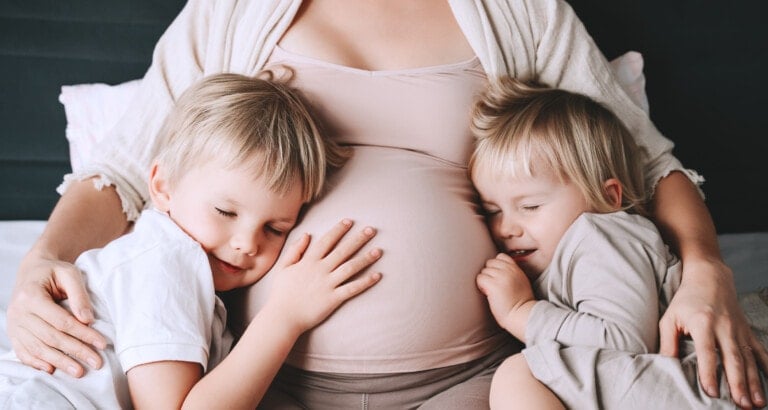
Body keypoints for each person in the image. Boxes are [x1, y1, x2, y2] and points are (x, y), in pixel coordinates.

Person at [6, 1, 767, 408]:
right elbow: (128, 172)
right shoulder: (235, 8)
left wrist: (706, 269)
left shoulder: (517, 8)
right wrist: (44, 258)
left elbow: (646, 161)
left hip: (475, 378)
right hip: (262, 384)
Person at [0, 72, 383, 409]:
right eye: (226, 212)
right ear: (163, 187)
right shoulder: (166, 262)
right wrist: (285, 316)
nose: (248, 243)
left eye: (275, 229)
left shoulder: (185, 270)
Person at [469, 77, 767, 409]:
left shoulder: (601, 235)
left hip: (699, 380)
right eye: (492, 211)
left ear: (608, 197)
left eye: (530, 207)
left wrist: (520, 312)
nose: (506, 228)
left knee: (522, 373)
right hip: (670, 384)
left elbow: (624, 341)